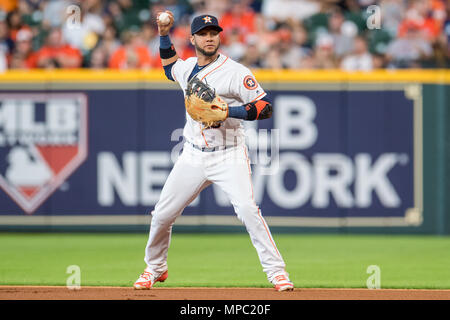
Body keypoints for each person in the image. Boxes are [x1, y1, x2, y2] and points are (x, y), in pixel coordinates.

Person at [133, 11, 294, 292]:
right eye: (204, 34)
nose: (210, 38)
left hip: (229, 153)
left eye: (214, 33)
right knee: (161, 214)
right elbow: (169, 65)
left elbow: (265, 107)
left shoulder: (236, 72)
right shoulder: (186, 69)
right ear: (193, 38)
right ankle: (155, 268)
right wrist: (162, 33)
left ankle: (277, 273)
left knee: (247, 209)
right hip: (193, 155)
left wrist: (227, 111)